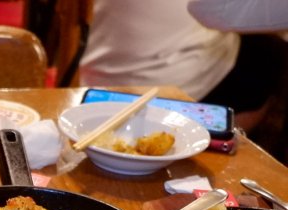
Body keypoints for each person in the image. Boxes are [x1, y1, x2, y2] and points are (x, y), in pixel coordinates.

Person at [78, 0, 287, 132]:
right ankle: (223, 140)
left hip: (95, 75)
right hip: (165, 87)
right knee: (268, 52)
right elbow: (212, 11)